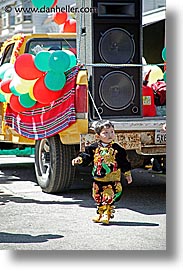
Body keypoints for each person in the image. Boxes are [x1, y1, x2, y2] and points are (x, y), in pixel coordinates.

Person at [72, 120, 132, 224]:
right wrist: (80, 159)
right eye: (106, 133)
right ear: (97, 136)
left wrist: (127, 174)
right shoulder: (93, 148)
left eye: (112, 132)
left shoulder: (118, 149)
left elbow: (124, 162)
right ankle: (100, 212)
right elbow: (87, 157)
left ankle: (107, 213)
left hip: (112, 178)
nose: (110, 135)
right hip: (98, 178)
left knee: (108, 195)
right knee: (97, 195)